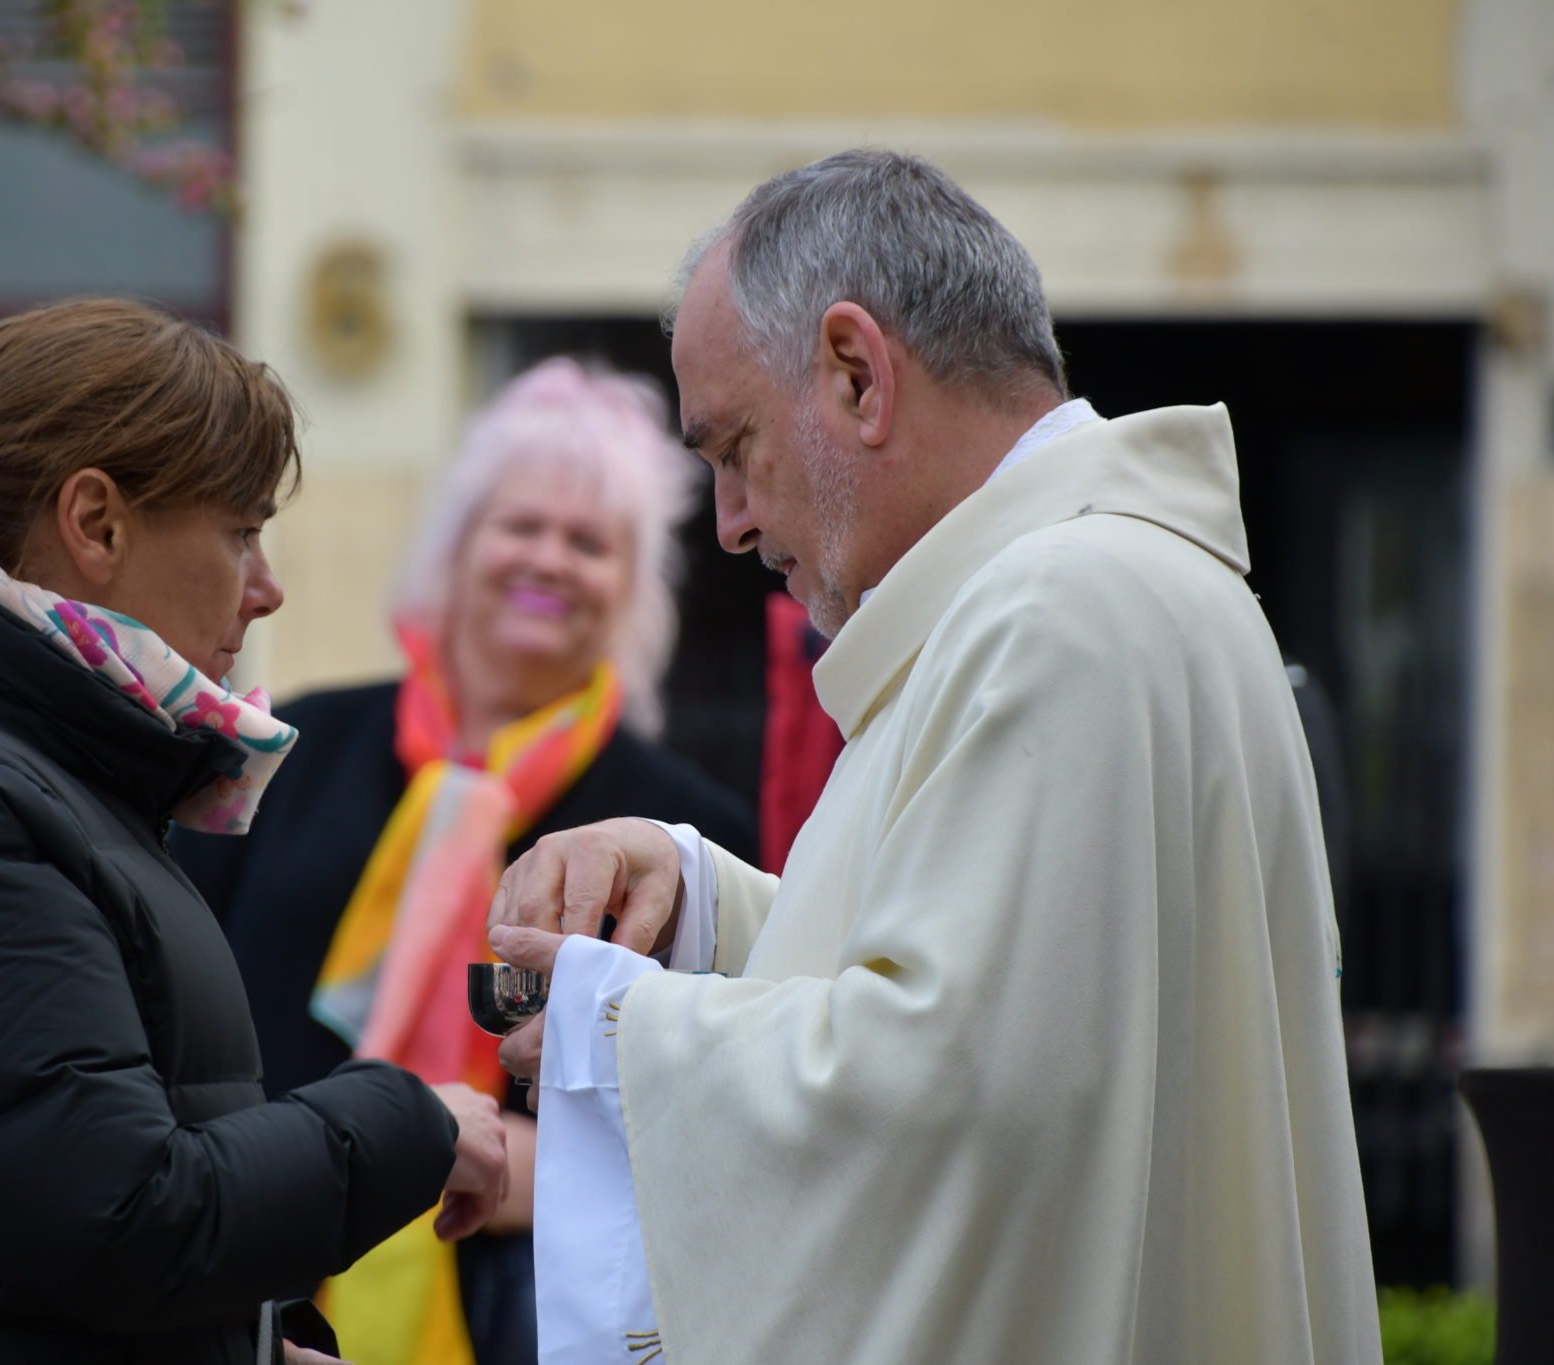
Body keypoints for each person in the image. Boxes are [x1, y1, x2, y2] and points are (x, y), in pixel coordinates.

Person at [487, 150, 1383, 1363]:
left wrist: (616, 1034)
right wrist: (701, 906)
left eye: (734, 446)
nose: (731, 522)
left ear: (857, 376)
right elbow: (1030, 997)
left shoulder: (1055, 613)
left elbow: (950, 1092)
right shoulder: (1094, 586)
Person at [0, 297, 510, 1364]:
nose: (267, 589)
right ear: (95, 524)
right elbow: (125, 1223)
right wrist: (409, 1122)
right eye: (241, 532)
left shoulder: (16, 764)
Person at [172, 357, 756, 1365]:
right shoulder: (292, 749)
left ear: (632, 589)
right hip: (248, 1274)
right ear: (456, 548)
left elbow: (715, 1114)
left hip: (522, 1313)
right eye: (519, 526)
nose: (549, 560)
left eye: (589, 542)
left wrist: (518, 1166)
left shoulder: (678, 834)